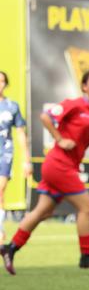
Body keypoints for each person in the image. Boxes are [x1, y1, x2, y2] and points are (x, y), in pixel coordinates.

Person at [0, 69, 89, 275]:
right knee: (87, 208)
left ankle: (10, 248)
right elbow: (46, 116)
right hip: (58, 164)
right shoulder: (74, 104)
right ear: (84, 86)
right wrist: (59, 139)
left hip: (67, 166)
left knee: (43, 211)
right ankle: (86, 256)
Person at [0, 72, 31, 245]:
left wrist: (26, 160)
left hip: (4, 153)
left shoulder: (12, 106)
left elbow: (20, 133)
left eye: (2, 81)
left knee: (0, 190)